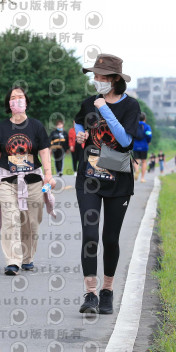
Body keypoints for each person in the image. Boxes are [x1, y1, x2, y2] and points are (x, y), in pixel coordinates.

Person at [74, 54, 141, 314]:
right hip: (88, 177)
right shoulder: (88, 103)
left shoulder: (130, 106)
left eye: (101, 77)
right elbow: (78, 120)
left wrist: (104, 108)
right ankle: (90, 293)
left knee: (110, 238)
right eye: (95, 76)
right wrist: (80, 133)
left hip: (118, 179)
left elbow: (125, 141)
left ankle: (107, 291)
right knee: (90, 235)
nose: (96, 80)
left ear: (114, 79)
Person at [0, 86, 56, 276]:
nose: (17, 100)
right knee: (11, 219)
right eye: (13, 97)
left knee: (31, 223)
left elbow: (44, 151)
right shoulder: (1, 128)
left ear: (26, 101)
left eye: (20, 97)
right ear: (9, 103)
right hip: (8, 180)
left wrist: (48, 174)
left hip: (33, 182)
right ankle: (13, 261)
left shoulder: (36, 126)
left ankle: (27, 258)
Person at [132, 112, 152, 182]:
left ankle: (137, 170)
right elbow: (149, 135)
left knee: (136, 160)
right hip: (144, 146)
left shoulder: (134, 126)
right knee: (143, 161)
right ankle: (142, 178)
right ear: (145, 119)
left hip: (135, 146)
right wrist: (148, 141)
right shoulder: (147, 127)